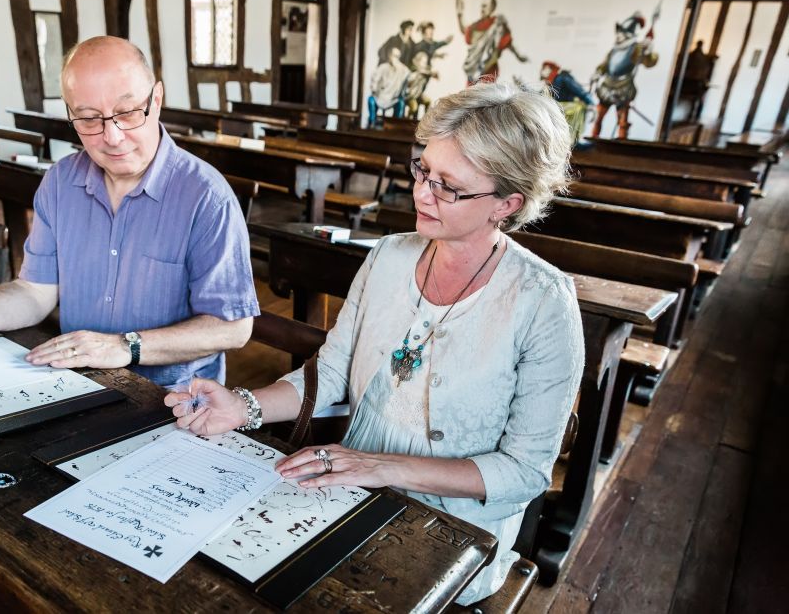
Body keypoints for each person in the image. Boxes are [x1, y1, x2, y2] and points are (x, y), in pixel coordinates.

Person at [166, 82, 585, 605]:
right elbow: (333, 371)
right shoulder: (388, 257)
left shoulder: (543, 302)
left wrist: (381, 466)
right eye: (423, 170)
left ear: (508, 203)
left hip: (454, 536)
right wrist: (243, 406)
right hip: (347, 495)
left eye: (449, 187)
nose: (422, 193)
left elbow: (524, 472)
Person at [0, 36, 259, 388]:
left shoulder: (205, 196)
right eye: (89, 119)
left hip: (172, 400)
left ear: (156, 100)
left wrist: (126, 347)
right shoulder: (61, 183)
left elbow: (234, 327)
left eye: (127, 113)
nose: (112, 136)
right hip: (78, 384)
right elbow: (33, 294)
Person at [590, 11, 658, 140]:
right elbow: (605, 65)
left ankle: (620, 143)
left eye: (621, 33)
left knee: (622, 123)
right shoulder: (614, 49)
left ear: (628, 34)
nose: (618, 35)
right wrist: (598, 73)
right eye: (619, 32)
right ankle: (594, 139)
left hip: (623, 87)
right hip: (607, 86)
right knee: (598, 118)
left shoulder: (636, 48)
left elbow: (649, 62)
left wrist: (648, 52)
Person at [457, 0, 528, 85]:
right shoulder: (476, 25)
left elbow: (507, 42)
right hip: (474, 69)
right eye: (482, 6)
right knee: (469, 96)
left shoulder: (498, 25)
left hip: (489, 70)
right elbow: (465, 30)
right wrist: (459, 14)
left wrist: (518, 55)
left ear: (492, 8)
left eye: (485, 6)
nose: (482, 9)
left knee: (484, 97)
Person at [540, 60, 593, 144]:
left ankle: (572, 140)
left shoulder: (562, 78)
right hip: (558, 107)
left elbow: (578, 90)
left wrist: (590, 103)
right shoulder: (549, 82)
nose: (543, 71)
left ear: (552, 69)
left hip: (568, 107)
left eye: (545, 68)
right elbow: (540, 95)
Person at [367, 45, 408, 126]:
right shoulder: (383, 67)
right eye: (393, 55)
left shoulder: (403, 70)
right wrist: (375, 90)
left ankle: (395, 125)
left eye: (397, 56)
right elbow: (374, 80)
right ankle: (372, 123)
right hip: (381, 95)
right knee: (371, 100)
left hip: (393, 98)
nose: (395, 58)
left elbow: (407, 77)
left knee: (401, 103)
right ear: (389, 56)